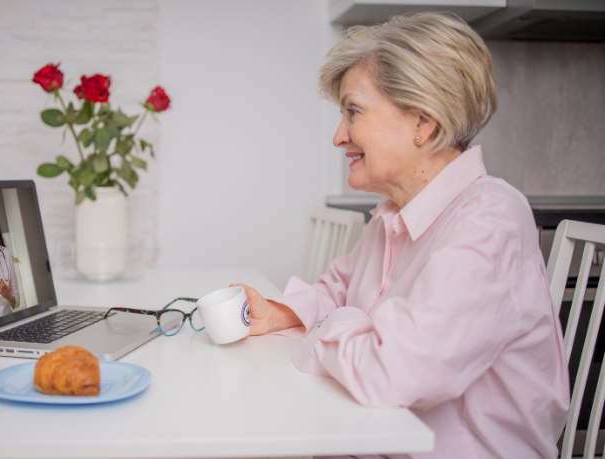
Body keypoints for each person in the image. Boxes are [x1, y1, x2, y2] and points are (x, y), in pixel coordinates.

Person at [233, 13, 569, 458]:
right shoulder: (393, 213)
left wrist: (336, 327)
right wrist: (280, 314)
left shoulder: (490, 219)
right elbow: (339, 291)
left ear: (423, 123)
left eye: (353, 111)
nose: (339, 137)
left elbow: (397, 369)